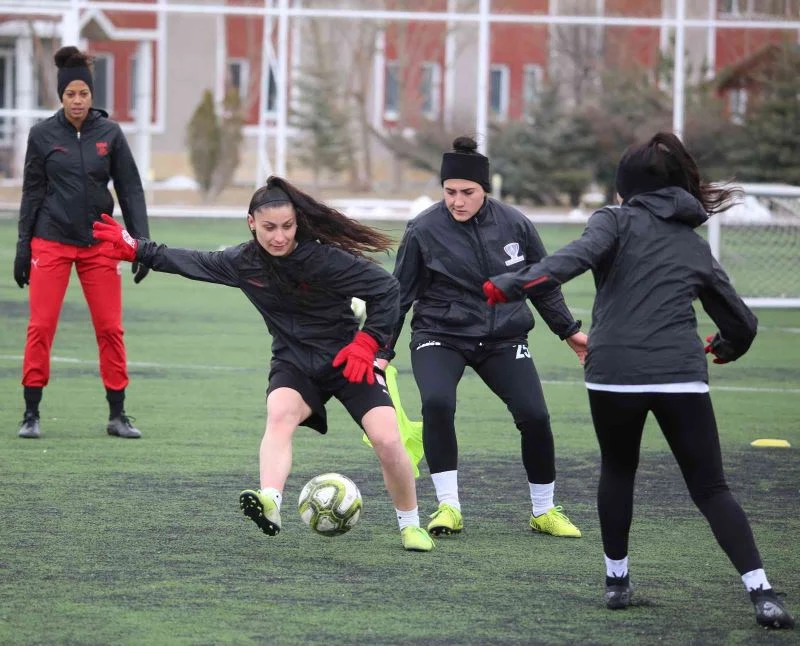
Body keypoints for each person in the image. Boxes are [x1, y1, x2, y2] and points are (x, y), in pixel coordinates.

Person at [483, 132, 794, 629]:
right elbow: (744, 324)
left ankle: (617, 583)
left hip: (614, 374)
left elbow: (574, 258)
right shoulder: (692, 245)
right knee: (711, 488)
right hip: (679, 376)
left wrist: (513, 285)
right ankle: (762, 593)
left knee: (619, 470)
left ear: (625, 188)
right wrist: (723, 348)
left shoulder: (613, 219)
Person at [91, 175, 435, 552]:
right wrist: (139, 249)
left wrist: (368, 343)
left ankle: (410, 525)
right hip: (294, 362)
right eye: (269, 227)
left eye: (287, 227)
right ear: (251, 222)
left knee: (387, 440)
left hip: (347, 359)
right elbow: (193, 261)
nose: (279, 237)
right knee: (279, 414)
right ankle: (270, 500)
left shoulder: (322, 258)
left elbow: (387, 290)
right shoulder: (243, 262)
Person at [379, 136, 587, 539]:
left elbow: (542, 283)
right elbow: (399, 295)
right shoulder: (423, 229)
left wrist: (570, 332)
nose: (457, 200)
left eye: (467, 192)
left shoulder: (515, 224)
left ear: (484, 190)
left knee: (535, 416)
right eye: (450, 192)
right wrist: (381, 349)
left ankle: (543, 511)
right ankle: (448, 507)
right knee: (438, 402)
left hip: (503, 337)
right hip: (440, 333)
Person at [13, 45, 150, 440]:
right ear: (61, 96)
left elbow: (130, 190)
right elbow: (32, 193)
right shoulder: (42, 135)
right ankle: (31, 413)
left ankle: (118, 414)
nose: (77, 100)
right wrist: (24, 248)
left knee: (110, 329)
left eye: (84, 93)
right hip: (50, 242)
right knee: (41, 327)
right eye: (70, 94)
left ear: (92, 96)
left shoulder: (110, 134)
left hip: (99, 245)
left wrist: (140, 242)